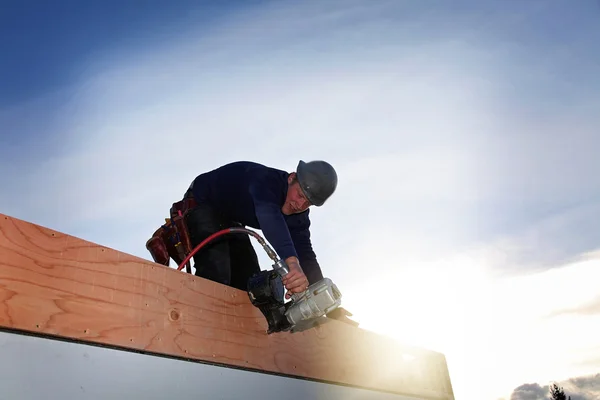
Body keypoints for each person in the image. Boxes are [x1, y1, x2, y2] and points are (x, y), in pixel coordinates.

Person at [181, 160, 337, 299]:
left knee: (252, 286)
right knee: (217, 275)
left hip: (232, 220)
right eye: (300, 195)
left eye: (308, 203)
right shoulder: (265, 180)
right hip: (203, 204)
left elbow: (305, 254)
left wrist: (325, 298)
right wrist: (292, 264)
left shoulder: (299, 215)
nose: (300, 205)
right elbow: (270, 216)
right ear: (291, 178)